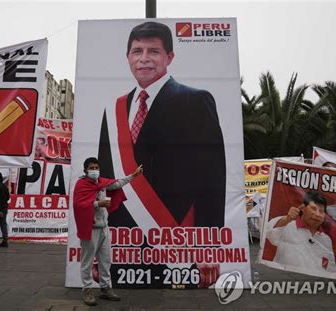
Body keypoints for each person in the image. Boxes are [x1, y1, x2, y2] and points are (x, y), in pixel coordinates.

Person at [99, 21, 226, 229]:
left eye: (154, 51)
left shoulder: (195, 101)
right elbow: (105, 176)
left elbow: (212, 177)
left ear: (169, 57)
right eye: (137, 51)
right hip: (120, 233)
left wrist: (208, 242)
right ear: (128, 57)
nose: (144, 59)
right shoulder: (115, 109)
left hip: (174, 234)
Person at [73, 157, 142, 306]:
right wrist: (98, 203)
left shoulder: (102, 183)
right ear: (85, 170)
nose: (94, 170)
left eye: (96, 167)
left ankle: (106, 288)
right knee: (87, 262)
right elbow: (79, 205)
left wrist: (133, 175)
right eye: (91, 167)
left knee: (105, 261)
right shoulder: (81, 184)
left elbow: (117, 183)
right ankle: (87, 291)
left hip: (104, 228)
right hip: (90, 229)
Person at [266, 190, 336, 273]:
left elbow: (331, 269)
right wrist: (286, 219)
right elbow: (269, 233)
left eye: (321, 211)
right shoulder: (288, 226)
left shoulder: (326, 239)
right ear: (303, 208)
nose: (317, 214)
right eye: (313, 208)